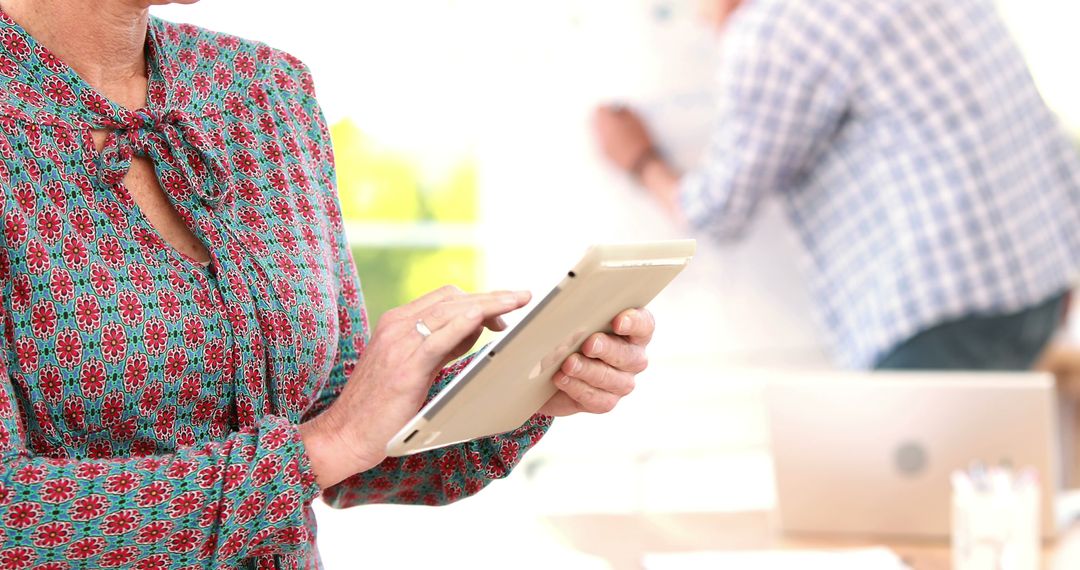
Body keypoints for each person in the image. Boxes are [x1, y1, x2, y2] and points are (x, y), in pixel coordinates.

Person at [0, 0, 656, 567]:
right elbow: (12, 522)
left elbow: (352, 442)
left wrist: (523, 384)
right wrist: (323, 446)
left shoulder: (265, 89)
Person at [594, 0, 1080, 370]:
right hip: (1038, 285)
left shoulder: (775, 25)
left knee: (922, 476)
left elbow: (716, 210)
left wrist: (640, 159)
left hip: (936, 320)